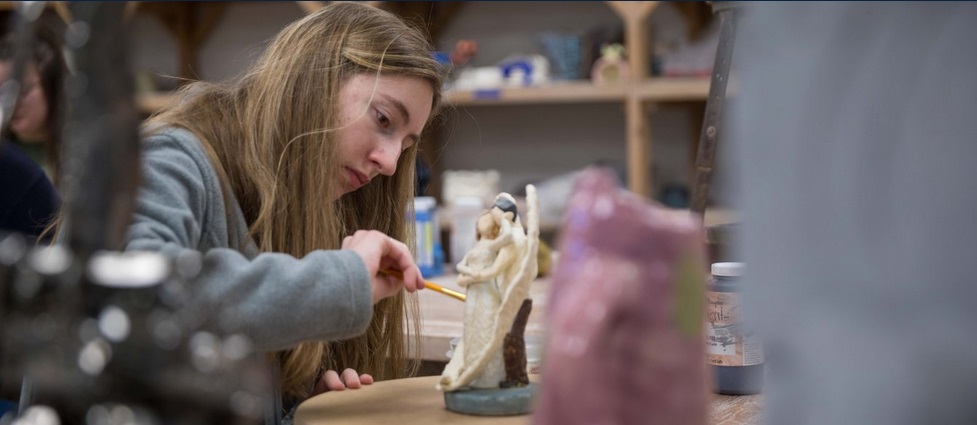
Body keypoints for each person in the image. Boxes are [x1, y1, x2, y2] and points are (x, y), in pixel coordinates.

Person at [46, 2, 443, 420]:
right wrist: (335, 281)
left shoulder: (305, 199)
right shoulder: (172, 159)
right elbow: (127, 300)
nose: (392, 162)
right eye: (383, 119)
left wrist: (295, 406)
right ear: (315, 80)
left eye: (407, 143)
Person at [439, 186, 539, 391]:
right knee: (490, 331)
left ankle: (515, 377)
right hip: (489, 292)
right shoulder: (490, 243)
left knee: (509, 336)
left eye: (494, 216)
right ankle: (503, 374)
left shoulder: (512, 239)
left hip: (513, 295)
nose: (490, 219)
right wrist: (467, 274)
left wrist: (477, 276)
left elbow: (496, 268)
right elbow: (464, 265)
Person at [0, 23, 68, 183]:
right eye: (3, 93)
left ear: (53, 84)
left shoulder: (83, 154)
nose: (12, 103)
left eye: (23, 90)